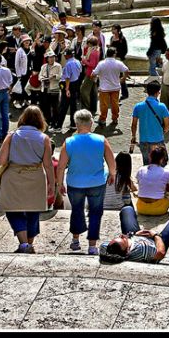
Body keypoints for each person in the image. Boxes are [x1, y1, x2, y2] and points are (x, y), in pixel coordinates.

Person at [56, 109, 117, 255]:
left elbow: (61, 167)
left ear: (76, 124)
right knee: (96, 212)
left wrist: (59, 183)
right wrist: (112, 174)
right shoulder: (101, 140)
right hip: (97, 182)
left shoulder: (69, 142)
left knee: (77, 210)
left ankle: (76, 240)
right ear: (91, 122)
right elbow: (111, 161)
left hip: (75, 183)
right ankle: (92, 245)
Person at [0, 105, 55, 253]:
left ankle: (24, 244)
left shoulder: (11, 135)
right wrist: (52, 184)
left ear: (23, 118)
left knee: (12, 209)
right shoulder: (45, 138)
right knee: (33, 210)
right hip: (36, 176)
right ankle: (28, 244)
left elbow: (1, 160)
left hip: (14, 175)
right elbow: (48, 165)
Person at [101, 205, 169, 266]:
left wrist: (133, 235)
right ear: (128, 251)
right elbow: (160, 253)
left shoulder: (107, 249)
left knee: (127, 210)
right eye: (123, 239)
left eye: (119, 237)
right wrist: (155, 235)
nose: (122, 235)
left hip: (135, 237)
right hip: (155, 244)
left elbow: (109, 248)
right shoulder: (142, 250)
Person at [130, 80, 169, 164]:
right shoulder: (162, 106)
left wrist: (133, 136)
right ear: (157, 92)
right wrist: (164, 131)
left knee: (147, 163)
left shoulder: (138, 106)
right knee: (161, 163)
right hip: (158, 140)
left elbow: (134, 124)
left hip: (144, 140)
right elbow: (167, 125)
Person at [91, 46, 129, 128]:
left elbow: (93, 74)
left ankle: (103, 119)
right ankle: (115, 118)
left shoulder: (101, 64)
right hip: (115, 87)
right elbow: (126, 70)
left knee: (104, 105)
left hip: (104, 88)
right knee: (115, 104)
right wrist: (123, 79)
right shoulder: (119, 63)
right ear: (114, 54)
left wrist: (95, 80)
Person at [135, 145, 169, 215]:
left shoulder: (141, 170)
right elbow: (168, 192)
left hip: (141, 208)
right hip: (159, 209)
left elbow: (140, 184)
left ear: (150, 157)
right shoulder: (167, 172)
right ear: (162, 159)